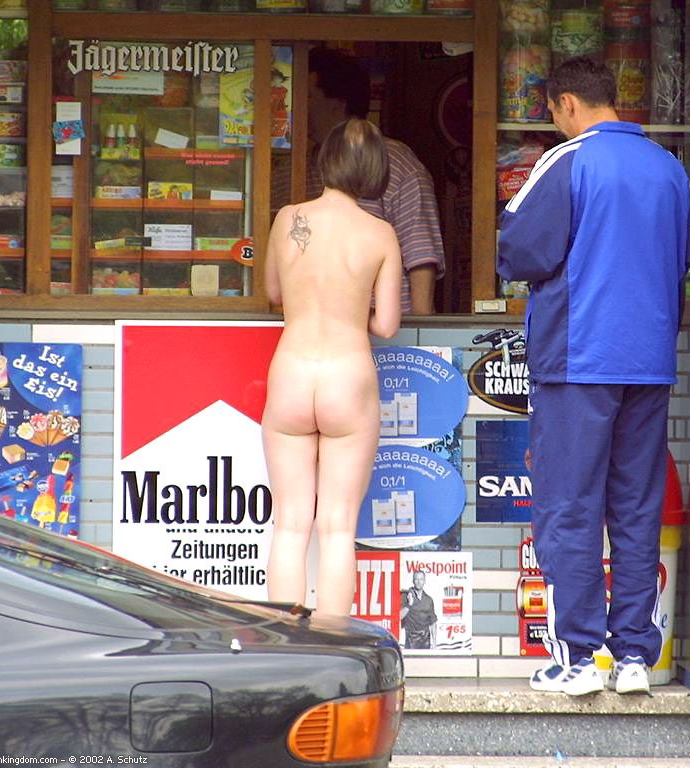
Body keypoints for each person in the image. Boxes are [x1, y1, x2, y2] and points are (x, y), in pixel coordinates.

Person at [497, 57, 690, 696]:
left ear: (568, 103)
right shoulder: (668, 167)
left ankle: (577, 659)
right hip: (649, 360)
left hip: (579, 357)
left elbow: (519, 251)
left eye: (554, 112)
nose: (556, 123)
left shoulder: (568, 160)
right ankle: (634, 656)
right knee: (636, 506)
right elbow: (680, 258)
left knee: (569, 504)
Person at [262, 118, 403, 617]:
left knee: (290, 524)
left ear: (326, 161)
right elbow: (387, 324)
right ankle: (335, 647)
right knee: (338, 528)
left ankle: (284, 644)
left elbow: (273, 293)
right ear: (375, 170)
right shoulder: (380, 234)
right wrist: (350, 306)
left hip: (292, 371)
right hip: (348, 374)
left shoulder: (287, 218)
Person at [280, 46, 445, 315]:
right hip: (314, 322)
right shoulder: (290, 168)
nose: (296, 107)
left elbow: (421, 255)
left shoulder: (396, 162)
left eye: (307, 96)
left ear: (338, 103)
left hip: (389, 331)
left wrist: (422, 329)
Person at [400, 570, 437, 650]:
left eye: (421, 579)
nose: (419, 582)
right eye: (416, 579)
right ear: (413, 581)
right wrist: (409, 604)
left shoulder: (429, 599)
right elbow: (399, 617)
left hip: (426, 639)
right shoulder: (406, 596)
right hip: (411, 639)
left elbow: (433, 622)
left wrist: (434, 642)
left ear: (424, 581)